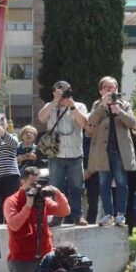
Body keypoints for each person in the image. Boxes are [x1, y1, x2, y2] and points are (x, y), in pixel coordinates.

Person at [86, 77, 136, 227]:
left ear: (117, 89)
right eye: (106, 87)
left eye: (112, 87)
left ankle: (120, 214)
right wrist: (102, 106)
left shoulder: (125, 104)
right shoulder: (97, 104)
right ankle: (108, 214)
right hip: (102, 152)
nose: (109, 90)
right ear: (101, 91)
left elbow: (132, 123)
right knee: (104, 184)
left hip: (120, 151)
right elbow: (91, 122)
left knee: (121, 182)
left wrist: (119, 112)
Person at [36, 81, 89, 225]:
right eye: (59, 91)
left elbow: (84, 123)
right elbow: (41, 118)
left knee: (76, 187)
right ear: (54, 92)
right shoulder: (50, 106)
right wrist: (55, 101)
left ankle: (78, 216)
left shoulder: (79, 106)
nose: (63, 94)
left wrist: (72, 106)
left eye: (66, 91)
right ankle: (57, 216)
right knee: (56, 187)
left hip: (75, 153)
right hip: (56, 154)